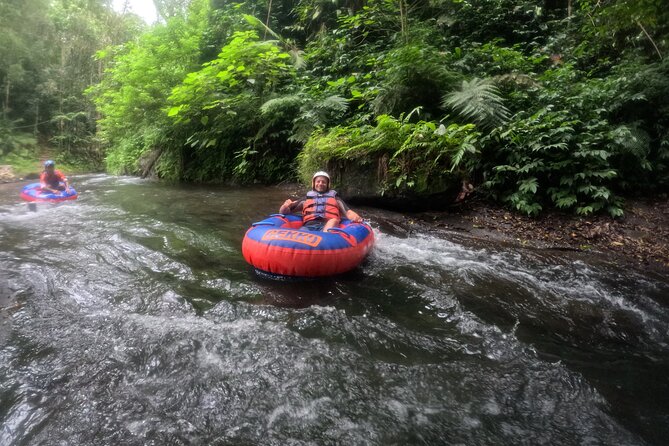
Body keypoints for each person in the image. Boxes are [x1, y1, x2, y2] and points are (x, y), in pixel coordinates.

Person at [279, 171, 363, 231]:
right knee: (301, 233)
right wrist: (285, 207)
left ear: (327, 184)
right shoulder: (307, 198)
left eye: (323, 182)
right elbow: (285, 211)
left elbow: (347, 211)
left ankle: (326, 237)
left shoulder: (335, 198)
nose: (320, 184)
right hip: (309, 226)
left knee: (333, 220)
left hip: (328, 225)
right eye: (318, 181)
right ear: (314, 183)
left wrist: (356, 218)